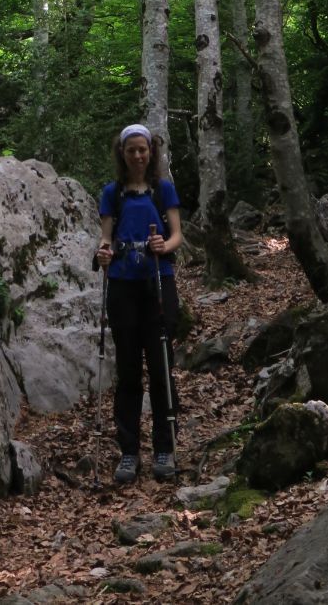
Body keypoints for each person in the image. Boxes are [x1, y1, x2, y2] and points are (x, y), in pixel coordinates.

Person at [96, 122, 182, 483]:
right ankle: (129, 452)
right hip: (122, 286)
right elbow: (106, 239)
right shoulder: (112, 193)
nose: (137, 155)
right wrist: (103, 252)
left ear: (151, 152)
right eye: (131, 150)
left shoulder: (163, 190)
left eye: (142, 149)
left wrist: (164, 245)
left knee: (161, 367)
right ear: (122, 153)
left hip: (158, 283)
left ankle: (165, 447)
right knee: (128, 370)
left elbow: (177, 236)